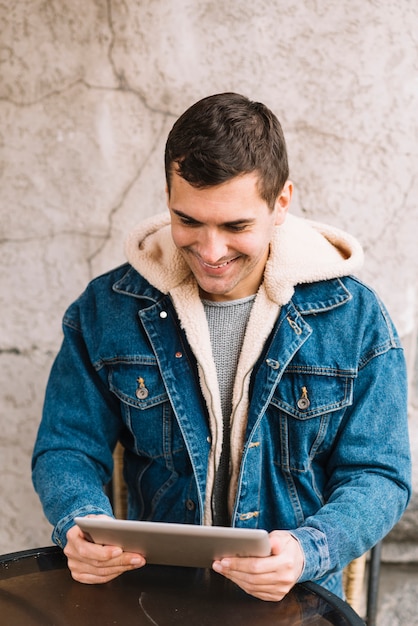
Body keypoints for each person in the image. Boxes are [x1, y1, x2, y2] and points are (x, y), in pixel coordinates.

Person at [32, 92, 411, 602]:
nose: (211, 252)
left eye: (235, 226)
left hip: (296, 601)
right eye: (188, 221)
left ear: (281, 204)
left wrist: (309, 550)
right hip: (153, 595)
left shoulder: (355, 318)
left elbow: (379, 475)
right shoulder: (106, 309)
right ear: (167, 196)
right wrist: (80, 522)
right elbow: (67, 447)